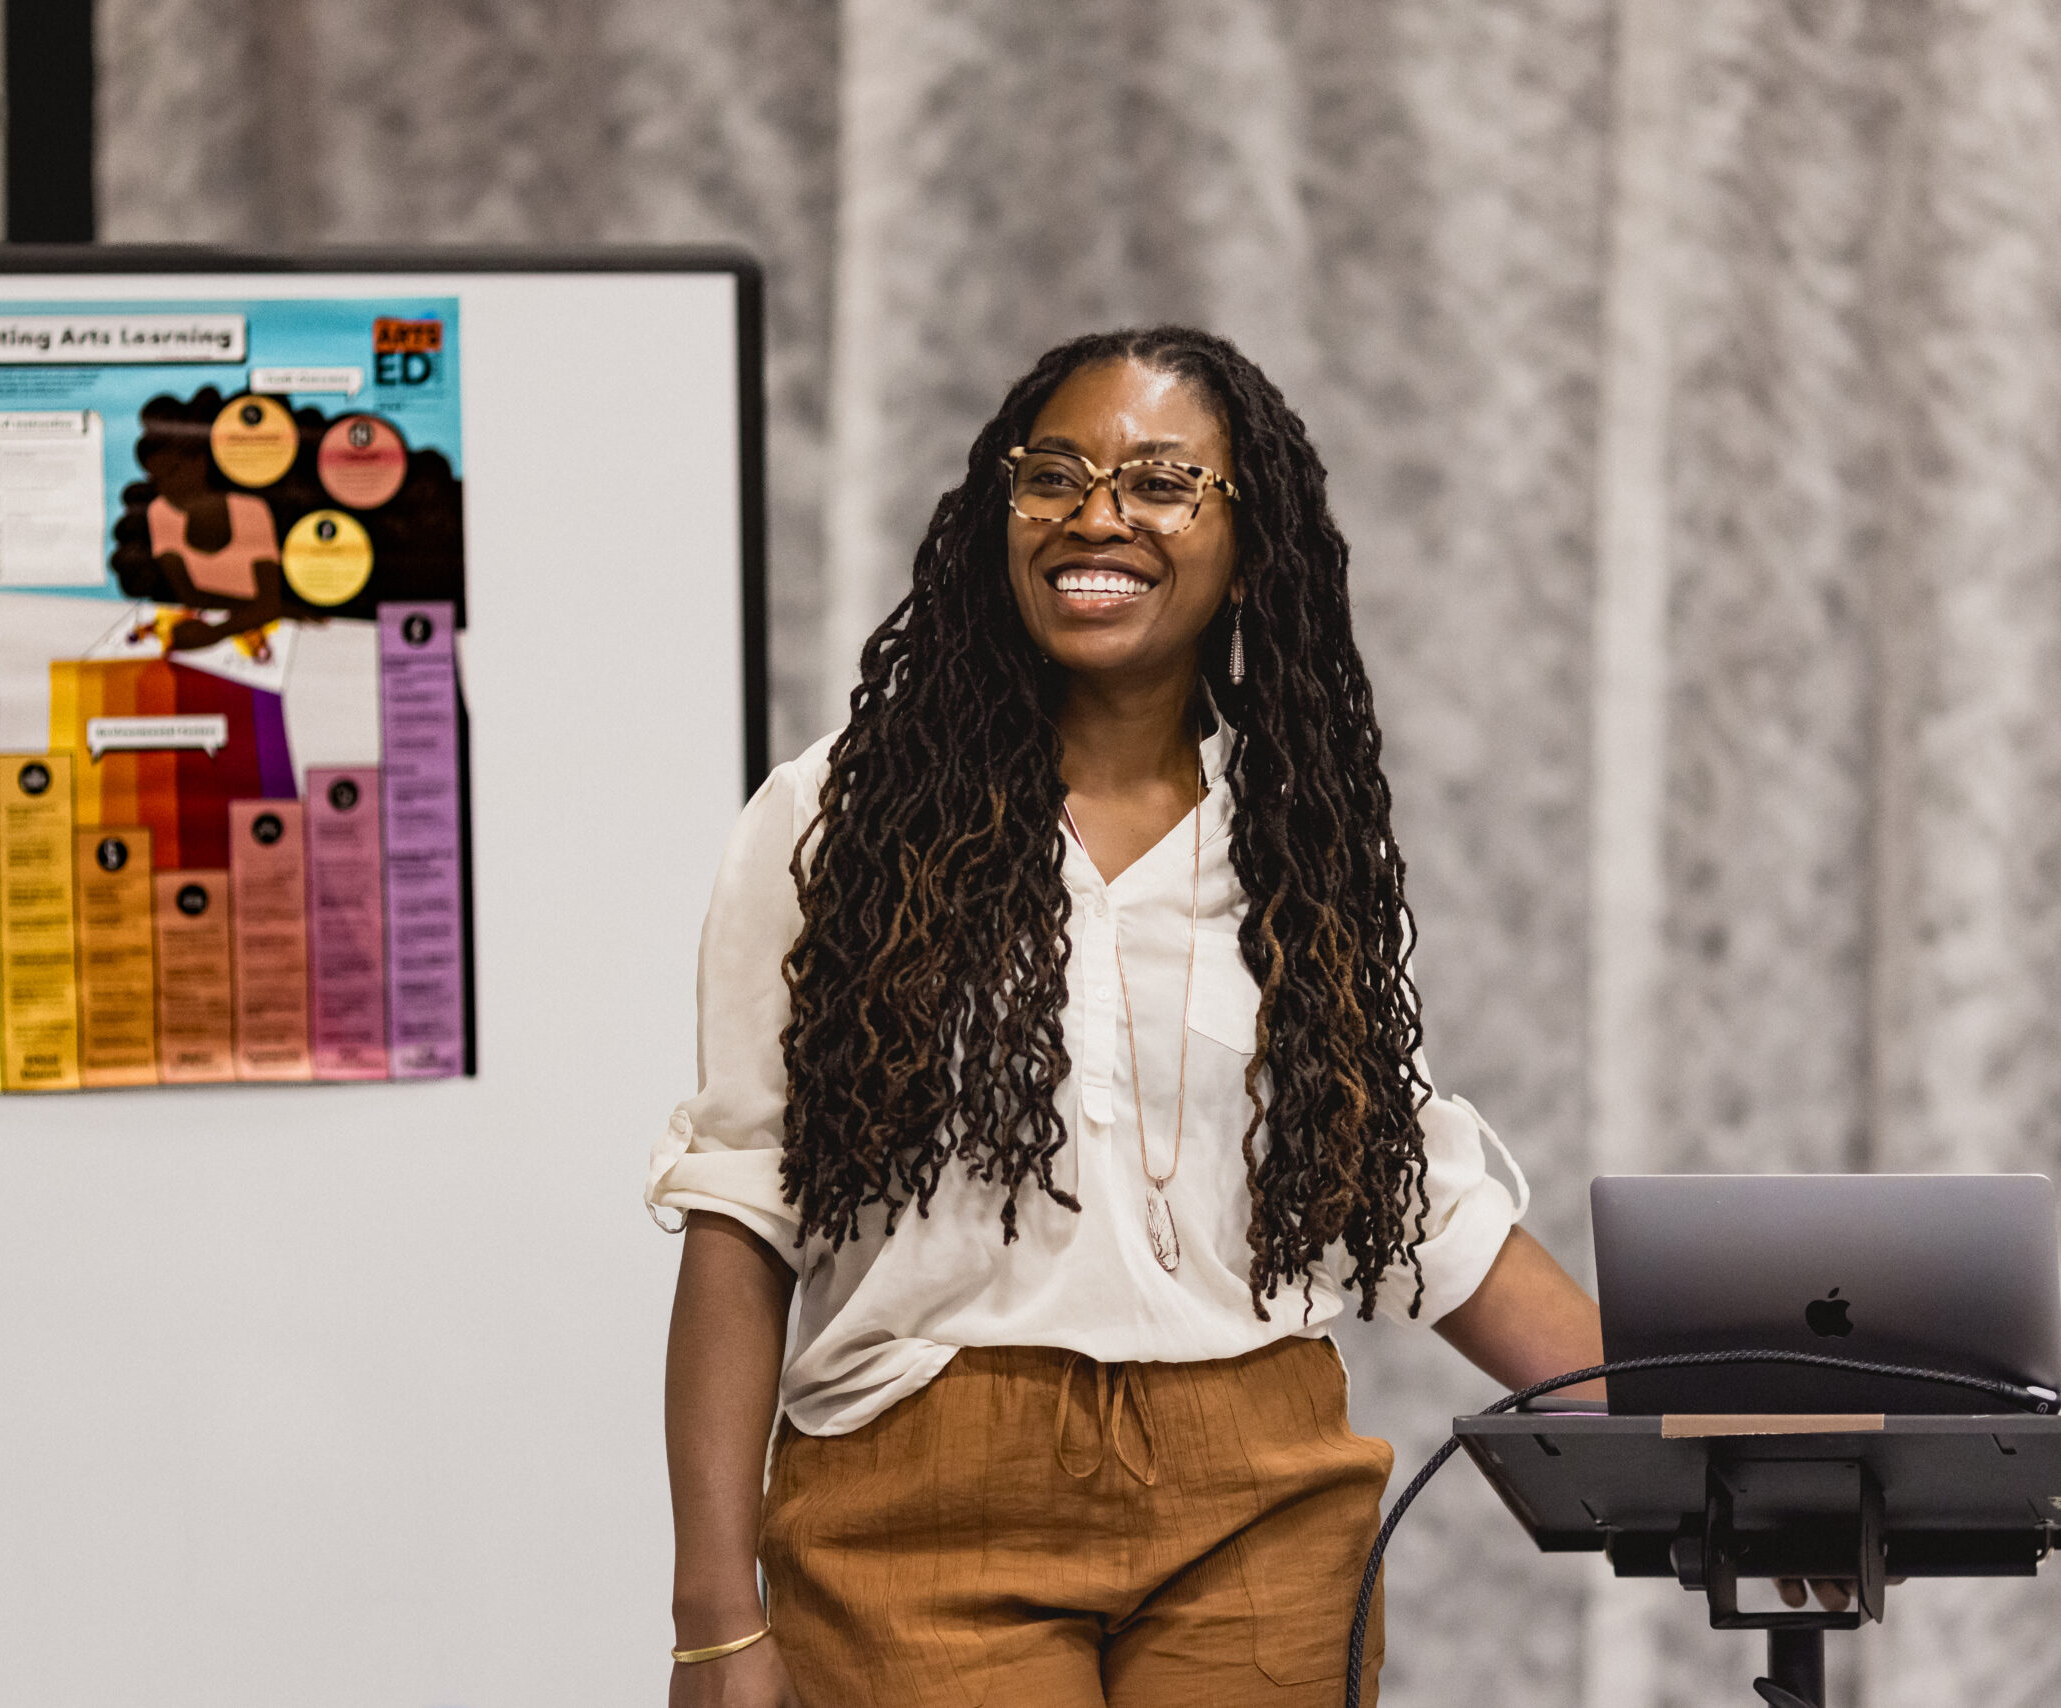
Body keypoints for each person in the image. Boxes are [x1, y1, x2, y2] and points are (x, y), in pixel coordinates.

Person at [649, 327, 1606, 1708]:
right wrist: (711, 1615)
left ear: (1249, 544)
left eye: (1162, 482)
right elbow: (745, 1212)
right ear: (1002, 514)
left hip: (1257, 1501)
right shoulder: (834, 823)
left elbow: (1408, 1192)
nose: (1098, 515)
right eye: (1055, 475)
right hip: (917, 1508)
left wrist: (1721, 1461)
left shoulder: (1297, 840)